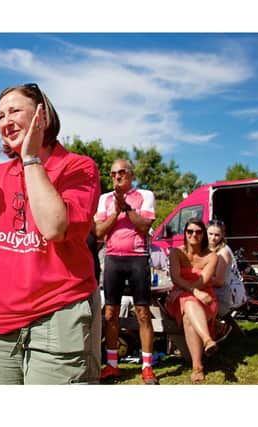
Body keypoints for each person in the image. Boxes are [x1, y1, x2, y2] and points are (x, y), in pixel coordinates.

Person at [0, 82, 101, 384]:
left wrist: (31, 159)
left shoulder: (78, 167)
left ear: (42, 114)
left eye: (14, 111)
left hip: (57, 313)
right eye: (0, 116)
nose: (5, 121)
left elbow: (54, 227)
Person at [95, 159, 158, 384]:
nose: (117, 177)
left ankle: (147, 367)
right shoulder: (105, 199)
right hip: (113, 260)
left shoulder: (145, 195)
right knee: (110, 314)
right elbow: (99, 232)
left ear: (131, 175)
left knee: (142, 314)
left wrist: (127, 208)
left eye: (121, 172)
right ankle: (112, 365)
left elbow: (144, 226)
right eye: (113, 174)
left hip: (137, 259)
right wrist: (115, 212)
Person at [166, 218, 219, 383]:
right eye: (190, 231)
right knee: (188, 302)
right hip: (184, 296)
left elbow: (203, 280)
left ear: (203, 234)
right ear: (185, 234)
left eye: (198, 232)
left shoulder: (212, 257)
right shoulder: (176, 252)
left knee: (188, 314)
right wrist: (195, 292)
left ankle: (197, 366)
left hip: (205, 297)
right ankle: (207, 340)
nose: (194, 235)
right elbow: (175, 278)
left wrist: (193, 291)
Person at [207, 219, 246, 318]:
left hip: (226, 294)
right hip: (213, 290)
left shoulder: (223, 252)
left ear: (222, 235)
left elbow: (219, 282)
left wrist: (197, 280)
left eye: (217, 235)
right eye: (210, 234)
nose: (213, 238)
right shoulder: (205, 249)